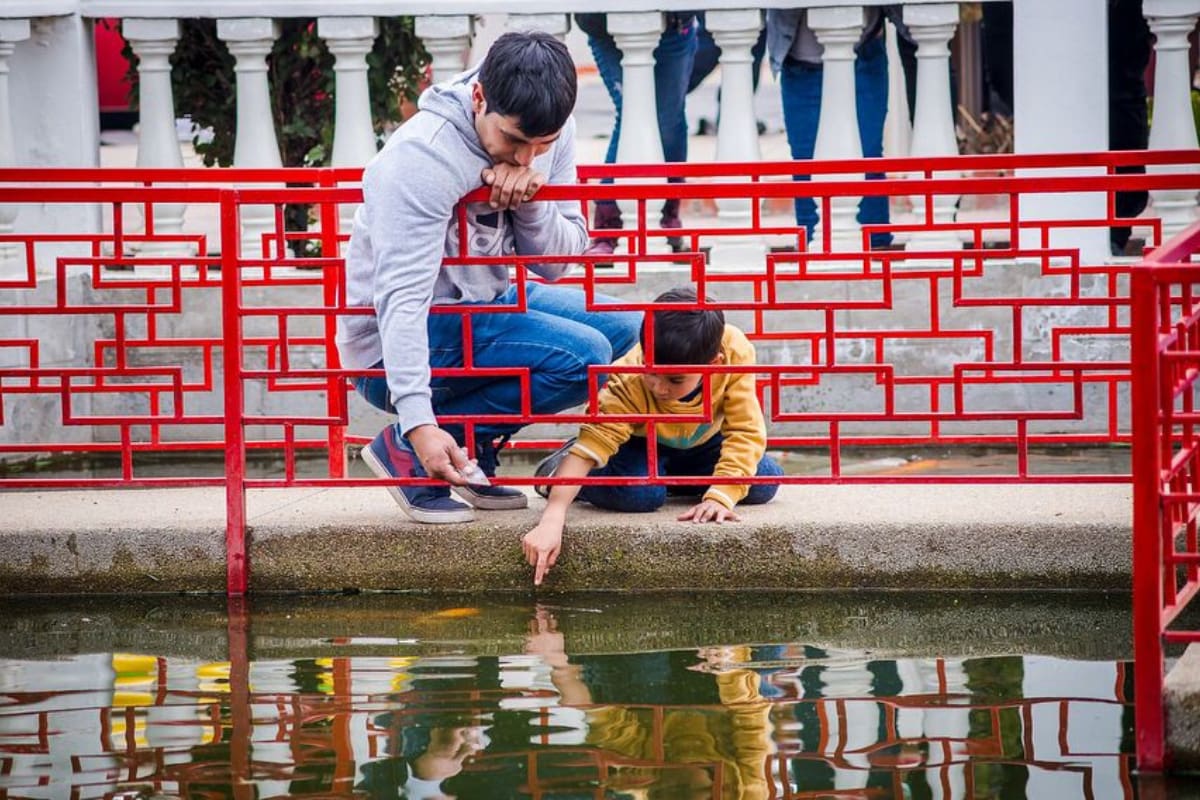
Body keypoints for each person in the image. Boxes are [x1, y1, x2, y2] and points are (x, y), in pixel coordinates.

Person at [336, 31, 642, 525]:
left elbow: (557, 263)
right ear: (479, 97)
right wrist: (416, 421)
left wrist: (531, 204)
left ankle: (488, 447)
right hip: (389, 342)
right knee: (583, 357)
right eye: (515, 142)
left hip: (486, 299)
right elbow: (400, 300)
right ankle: (409, 452)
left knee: (628, 333)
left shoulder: (549, 129)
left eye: (540, 146)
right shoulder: (422, 159)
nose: (525, 158)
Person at [521, 287, 783, 586]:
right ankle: (560, 470)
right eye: (652, 373)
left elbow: (744, 430)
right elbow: (594, 443)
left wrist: (720, 497)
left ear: (714, 364)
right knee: (640, 494)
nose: (659, 388)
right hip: (640, 442)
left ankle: (667, 480)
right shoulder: (627, 376)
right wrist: (554, 516)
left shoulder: (735, 350)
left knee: (764, 480)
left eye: (675, 379)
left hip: (703, 444)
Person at [766, 9, 893, 248]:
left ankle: (877, 255)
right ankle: (812, 255)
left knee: (868, 158)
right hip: (799, 61)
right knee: (806, 165)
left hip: (862, 50)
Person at [574, 12, 700, 254]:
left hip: (673, 22)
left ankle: (665, 216)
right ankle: (609, 227)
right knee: (633, 112)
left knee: (667, 119)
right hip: (605, 23)